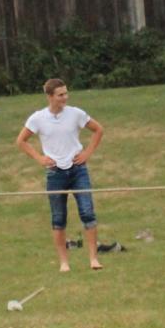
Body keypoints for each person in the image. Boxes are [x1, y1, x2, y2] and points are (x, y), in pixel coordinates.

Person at [15, 78, 106, 272]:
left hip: (78, 169)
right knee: (58, 218)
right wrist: (40, 158)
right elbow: (21, 141)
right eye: (60, 95)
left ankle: (93, 259)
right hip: (55, 173)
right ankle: (64, 263)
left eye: (66, 93)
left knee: (87, 213)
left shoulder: (76, 114)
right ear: (50, 97)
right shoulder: (38, 118)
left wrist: (87, 153)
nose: (65, 97)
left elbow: (98, 130)